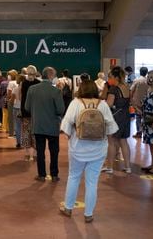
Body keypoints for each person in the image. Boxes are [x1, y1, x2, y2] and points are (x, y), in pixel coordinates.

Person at [60, 80, 118, 223]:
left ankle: (68, 208)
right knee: (92, 182)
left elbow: (66, 124)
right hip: (98, 150)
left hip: (78, 148)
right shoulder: (103, 104)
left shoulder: (75, 103)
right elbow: (111, 128)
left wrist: (71, 137)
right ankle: (88, 214)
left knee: (73, 177)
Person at [25, 67, 64, 181]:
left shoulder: (32, 89)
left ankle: (41, 174)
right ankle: (54, 174)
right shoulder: (56, 91)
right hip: (52, 126)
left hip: (38, 125)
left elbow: (27, 107)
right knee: (54, 151)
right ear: (51, 76)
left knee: (40, 151)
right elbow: (60, 110)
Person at [101, 66, 132, 174]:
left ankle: (109, 167)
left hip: (115, 117)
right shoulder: (127, 87)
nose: (109, 79)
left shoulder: (114, 89)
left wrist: (101, 104)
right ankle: (128, 167)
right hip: (125, 116)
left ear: (116, 77)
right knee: (124, 142)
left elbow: (109, 104)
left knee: (112, 142)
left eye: (110, 77)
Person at [20, 65, 40, 161]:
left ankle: (28, 154)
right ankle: (35, 153)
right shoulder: (38, 83)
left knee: (26, 132)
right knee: (36, 132)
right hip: (36, 112)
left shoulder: (23, 83)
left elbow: (21, 98)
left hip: (25, 111)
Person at [130, 67, 149, 138]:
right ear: (147, 72)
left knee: (138, 117)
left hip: (137, 102)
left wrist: (131, 100)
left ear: (140, 72)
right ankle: (146, 132)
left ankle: (139, 132)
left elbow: (131, 90)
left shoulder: (136, 80)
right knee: (146, 117)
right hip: (146, 102)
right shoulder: (148, 81)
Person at [11, 74, 24, 148]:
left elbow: (12, 100)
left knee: (17, 126)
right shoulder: (27, 89)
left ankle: (19, 142)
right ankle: (25, 141)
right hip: (24, 109)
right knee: (25, 126)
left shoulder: (15, 89)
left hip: (16, 108)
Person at [6, 69, 18, 137]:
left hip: (11, 102)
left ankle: (11, 133)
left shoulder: (11, 83)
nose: (8, 76)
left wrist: (7, 99)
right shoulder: (18, 82)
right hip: (18, 102)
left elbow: (9, 93)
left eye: (9, 75)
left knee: (11, 118)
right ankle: (17, 132)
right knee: (17, 119)